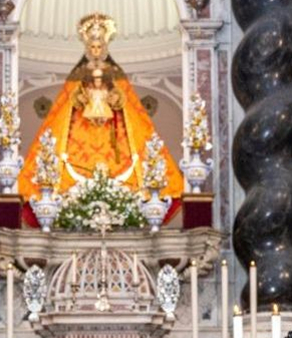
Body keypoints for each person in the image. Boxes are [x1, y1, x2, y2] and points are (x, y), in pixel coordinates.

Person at [14, 11, 183, 204]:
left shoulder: (115, 72)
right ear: (87, 47)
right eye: (92, 46)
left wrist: (114, 97)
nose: (96, 50)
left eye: (99, 46)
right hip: (81, 128)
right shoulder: (78, 73)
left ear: (104, 47)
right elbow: (66, 105)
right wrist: (80, 96)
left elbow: (127, 104)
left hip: (112, 131)